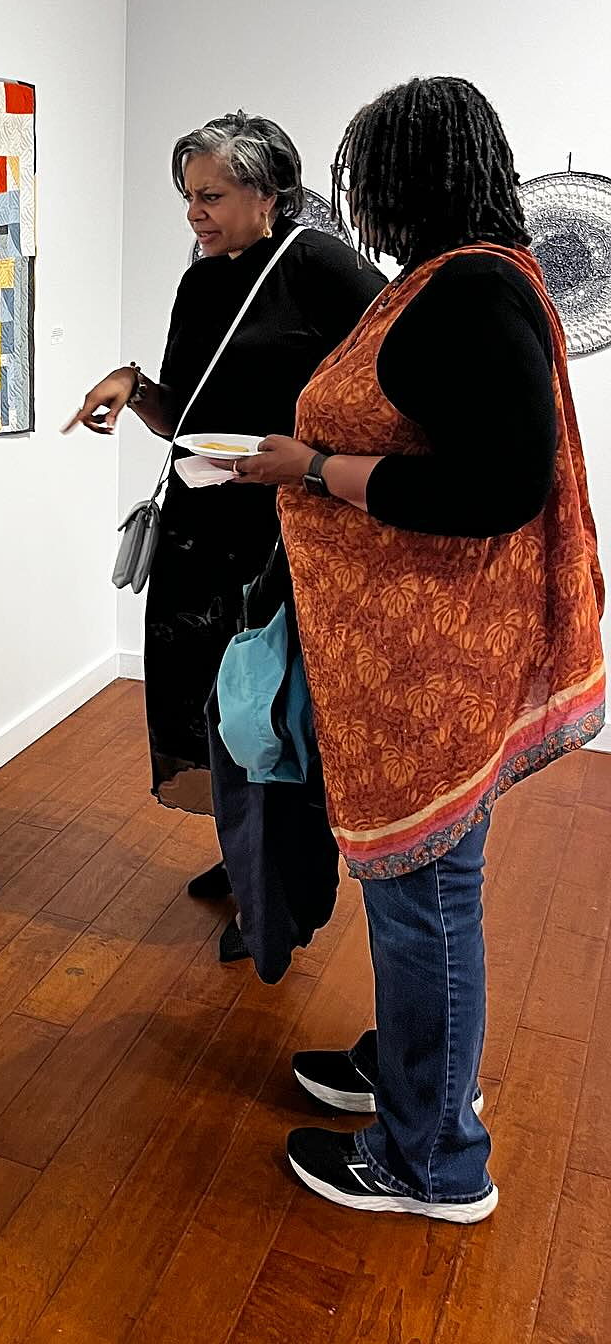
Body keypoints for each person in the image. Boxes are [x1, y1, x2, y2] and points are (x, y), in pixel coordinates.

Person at [236, 75, 605, 1221]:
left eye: (375, 181)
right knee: (426, 894)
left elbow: (496, 487)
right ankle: (412, 1074)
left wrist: (314, 471)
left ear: (420, 178)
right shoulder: (455, 283)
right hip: (417, 656)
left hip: (429, 668)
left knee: (428, 898)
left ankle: (434, 1159)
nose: (366, 206)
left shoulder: (471, 295)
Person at [66, 112, 384, 957]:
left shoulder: (320, 266)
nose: (194, 214)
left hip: (280, 536)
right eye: (186, 197)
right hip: (199, 527)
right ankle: (244, 857)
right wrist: (133, 390)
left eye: (210, 195)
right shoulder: (200, 280)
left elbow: (385, 390)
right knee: (207, 704)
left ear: (267, 191)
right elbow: (190, 419)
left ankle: (279, 899)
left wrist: (317, 462)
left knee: (265, 715)